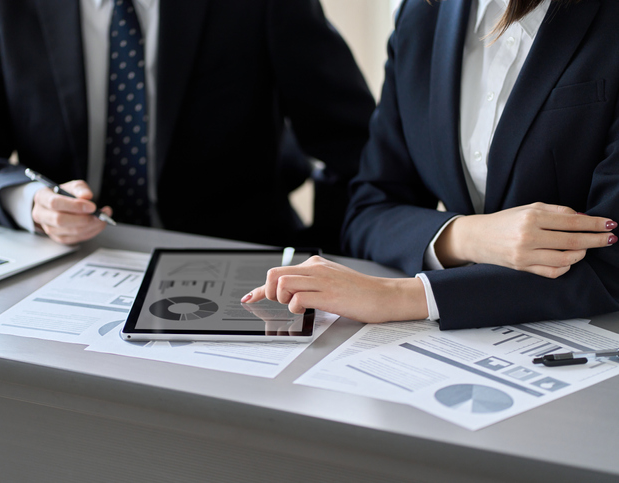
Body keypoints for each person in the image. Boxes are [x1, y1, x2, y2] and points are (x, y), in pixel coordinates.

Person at [244, 0, 619, 330]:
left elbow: (612, 265)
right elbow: (369, 209)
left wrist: (401, 296)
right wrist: (469, 237)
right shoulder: (423, 14)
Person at [0, 0, 375, 250]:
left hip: (239, 265)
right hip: (67, 262)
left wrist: (324, 253)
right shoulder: (4, 7)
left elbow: (357, 147)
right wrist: (31, 203)